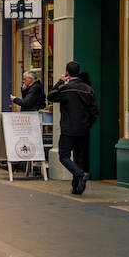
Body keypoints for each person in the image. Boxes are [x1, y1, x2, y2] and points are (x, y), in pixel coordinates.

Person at [46, 60, 99, 195]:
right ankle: (76, 187)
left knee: (63, 156)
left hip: (68, 127)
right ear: (79, 72)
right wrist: (88, 124)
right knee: (78, 156)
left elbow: (50, 96)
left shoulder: (66, 88)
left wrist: (60, 81)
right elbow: (94, 112)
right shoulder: (88, 89)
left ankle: (80, 174)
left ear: (67, 73)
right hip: (83, 128)